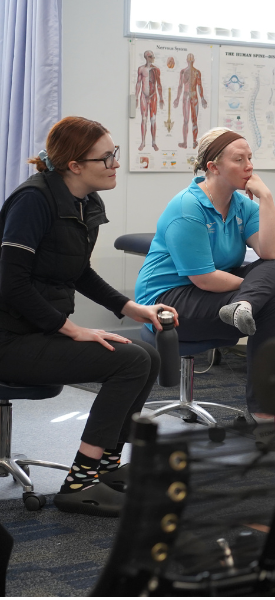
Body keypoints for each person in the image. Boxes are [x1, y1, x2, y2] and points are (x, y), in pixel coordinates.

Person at [0, 116, 178, 517]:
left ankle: (108, 468)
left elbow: (78, 270)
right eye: (107, 157)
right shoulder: (33, 201)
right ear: (75, 165)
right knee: (131, 361)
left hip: (37, 332)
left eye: (115, 153)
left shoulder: (85, 203)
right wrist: (71, 329)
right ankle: (80, 483)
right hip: (9, 338)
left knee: (143, 355)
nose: (116, 163)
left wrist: (134, 309)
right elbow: (11, 284)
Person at [134, 127, 275, 422]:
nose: (249, 166)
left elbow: (272, 253)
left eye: (250, 158)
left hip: (213, 295)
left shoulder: (242, 205)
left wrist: (267, 198)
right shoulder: (188, 206)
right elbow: (204, 278)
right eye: (239, 159)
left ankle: (245, 306)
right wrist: (265, 289)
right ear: (213, 167)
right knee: (272, 305)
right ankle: (264, 411)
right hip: (167, 301)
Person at [175, 53, 208, 149]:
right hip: (186, 97)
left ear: (193, 61)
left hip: (194, 97)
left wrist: (202, 98)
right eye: (189, 61)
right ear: (187, 61)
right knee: (185, 120)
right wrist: (177, 98)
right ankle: (185, 142)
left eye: (191, 61)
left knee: (194, 120)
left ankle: (194, 142)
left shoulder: (197, 72)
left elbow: (199, 86)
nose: (190, 62)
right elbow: (180, 86)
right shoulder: (183, 72)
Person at [135, 50, 164, 152]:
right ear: (146, 57)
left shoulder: (156, 70)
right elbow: (138, 83)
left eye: (153, 56)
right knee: (143, 119)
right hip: (143, 95)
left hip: (153, 96)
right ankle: (143, 142)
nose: (153, 58)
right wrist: (136, 97)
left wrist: (161, 98)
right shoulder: (141, 69)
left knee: (153, 120)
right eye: (151, 56)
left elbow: (159, 84)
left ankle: (153, 142)